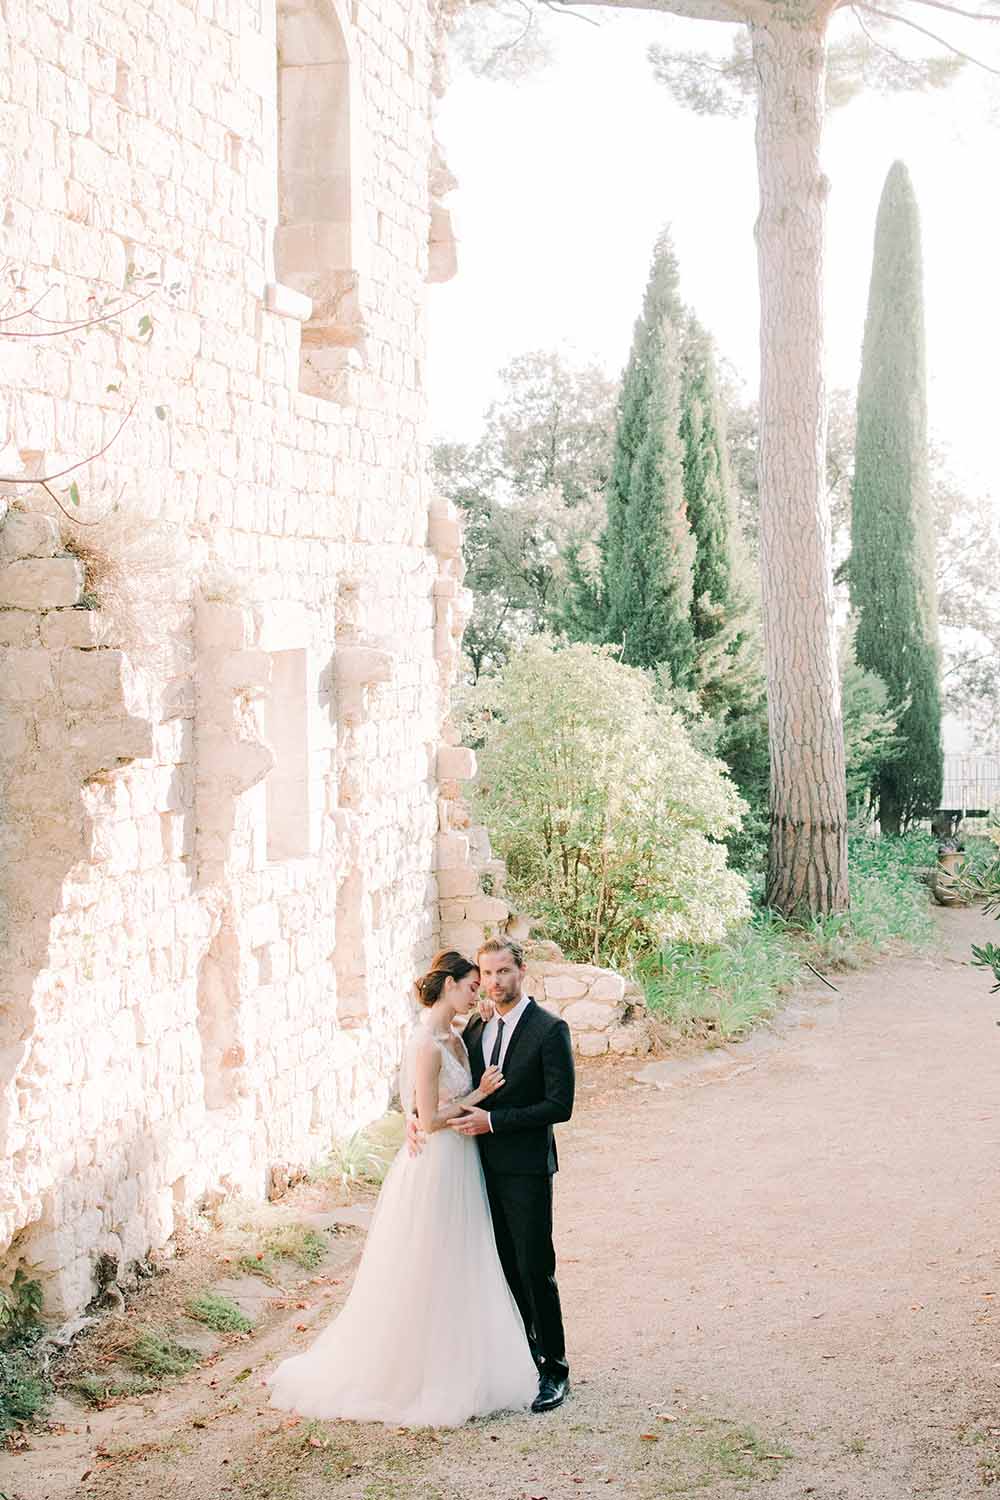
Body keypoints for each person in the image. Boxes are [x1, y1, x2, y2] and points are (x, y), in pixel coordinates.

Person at [267, 951, 537, 1428]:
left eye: (482, 984)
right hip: (437, 1163)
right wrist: (481, 1095)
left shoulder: (455, 1035)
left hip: (464, 1159)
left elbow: (419, 1109)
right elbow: (429, 1119)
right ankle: (417, 1370)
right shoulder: (426, 1045)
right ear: (450, 985)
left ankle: (468, 1360)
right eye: (472, 985)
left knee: (464, 1257)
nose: (479, 992)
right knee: (429, 1260)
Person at [449, 938, 575, 1413]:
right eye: (487, 973)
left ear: (522, 972)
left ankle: (554, 1370)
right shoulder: (479, 1024)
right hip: (478, 1168)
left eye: (504, 971)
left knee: (534, 1267)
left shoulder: (549, 1029)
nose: (495, 981)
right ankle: (520, 1360)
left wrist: (495, 1122)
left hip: (524, 1168)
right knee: (500, 1269)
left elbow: (559, 1106)